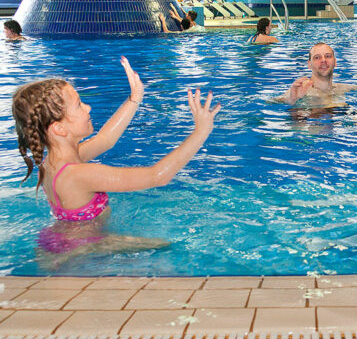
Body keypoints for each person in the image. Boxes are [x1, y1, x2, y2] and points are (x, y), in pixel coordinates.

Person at [12, 57, 220, 256]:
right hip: (82, 248)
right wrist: (201, 132)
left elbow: (105, 139)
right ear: (58, 128)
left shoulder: (55, 163)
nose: (88, 107)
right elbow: (158, 176)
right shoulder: (78, 174)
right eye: (79, 104)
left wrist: (135, 97)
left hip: (61, 240)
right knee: (169, 247)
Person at [278, 43, 357, 107]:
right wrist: (292, 99)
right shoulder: (300, 90)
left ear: (335, 62)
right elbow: (274, 101)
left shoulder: (341, 88)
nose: (323, 60)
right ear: (309, 64)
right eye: (317, 57)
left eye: (328, 56)